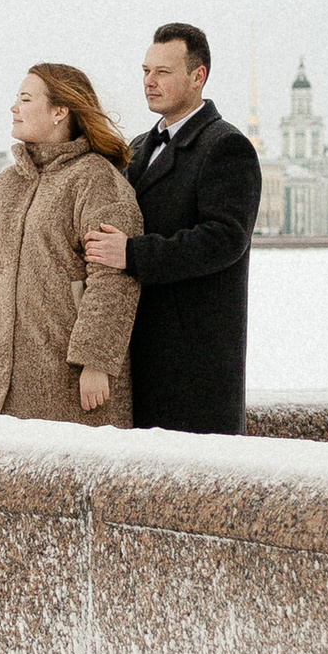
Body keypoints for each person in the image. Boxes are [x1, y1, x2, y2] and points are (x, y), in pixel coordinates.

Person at [81, 23, 261, 433]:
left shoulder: (226, 147)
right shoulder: (139, 146)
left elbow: (224, 240)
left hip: (194, 364)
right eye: (145, 71)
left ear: (198, 76)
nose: (149, 81)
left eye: (162, 72)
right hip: (136, 353)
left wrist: (131, 254)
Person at [0, 65, 143, 422]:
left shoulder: (96, 180)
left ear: (59, 111)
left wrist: (96, 362)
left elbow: (112, 278)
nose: (13, 108)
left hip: (67, 383)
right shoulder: (0, 188)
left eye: (25, 99)